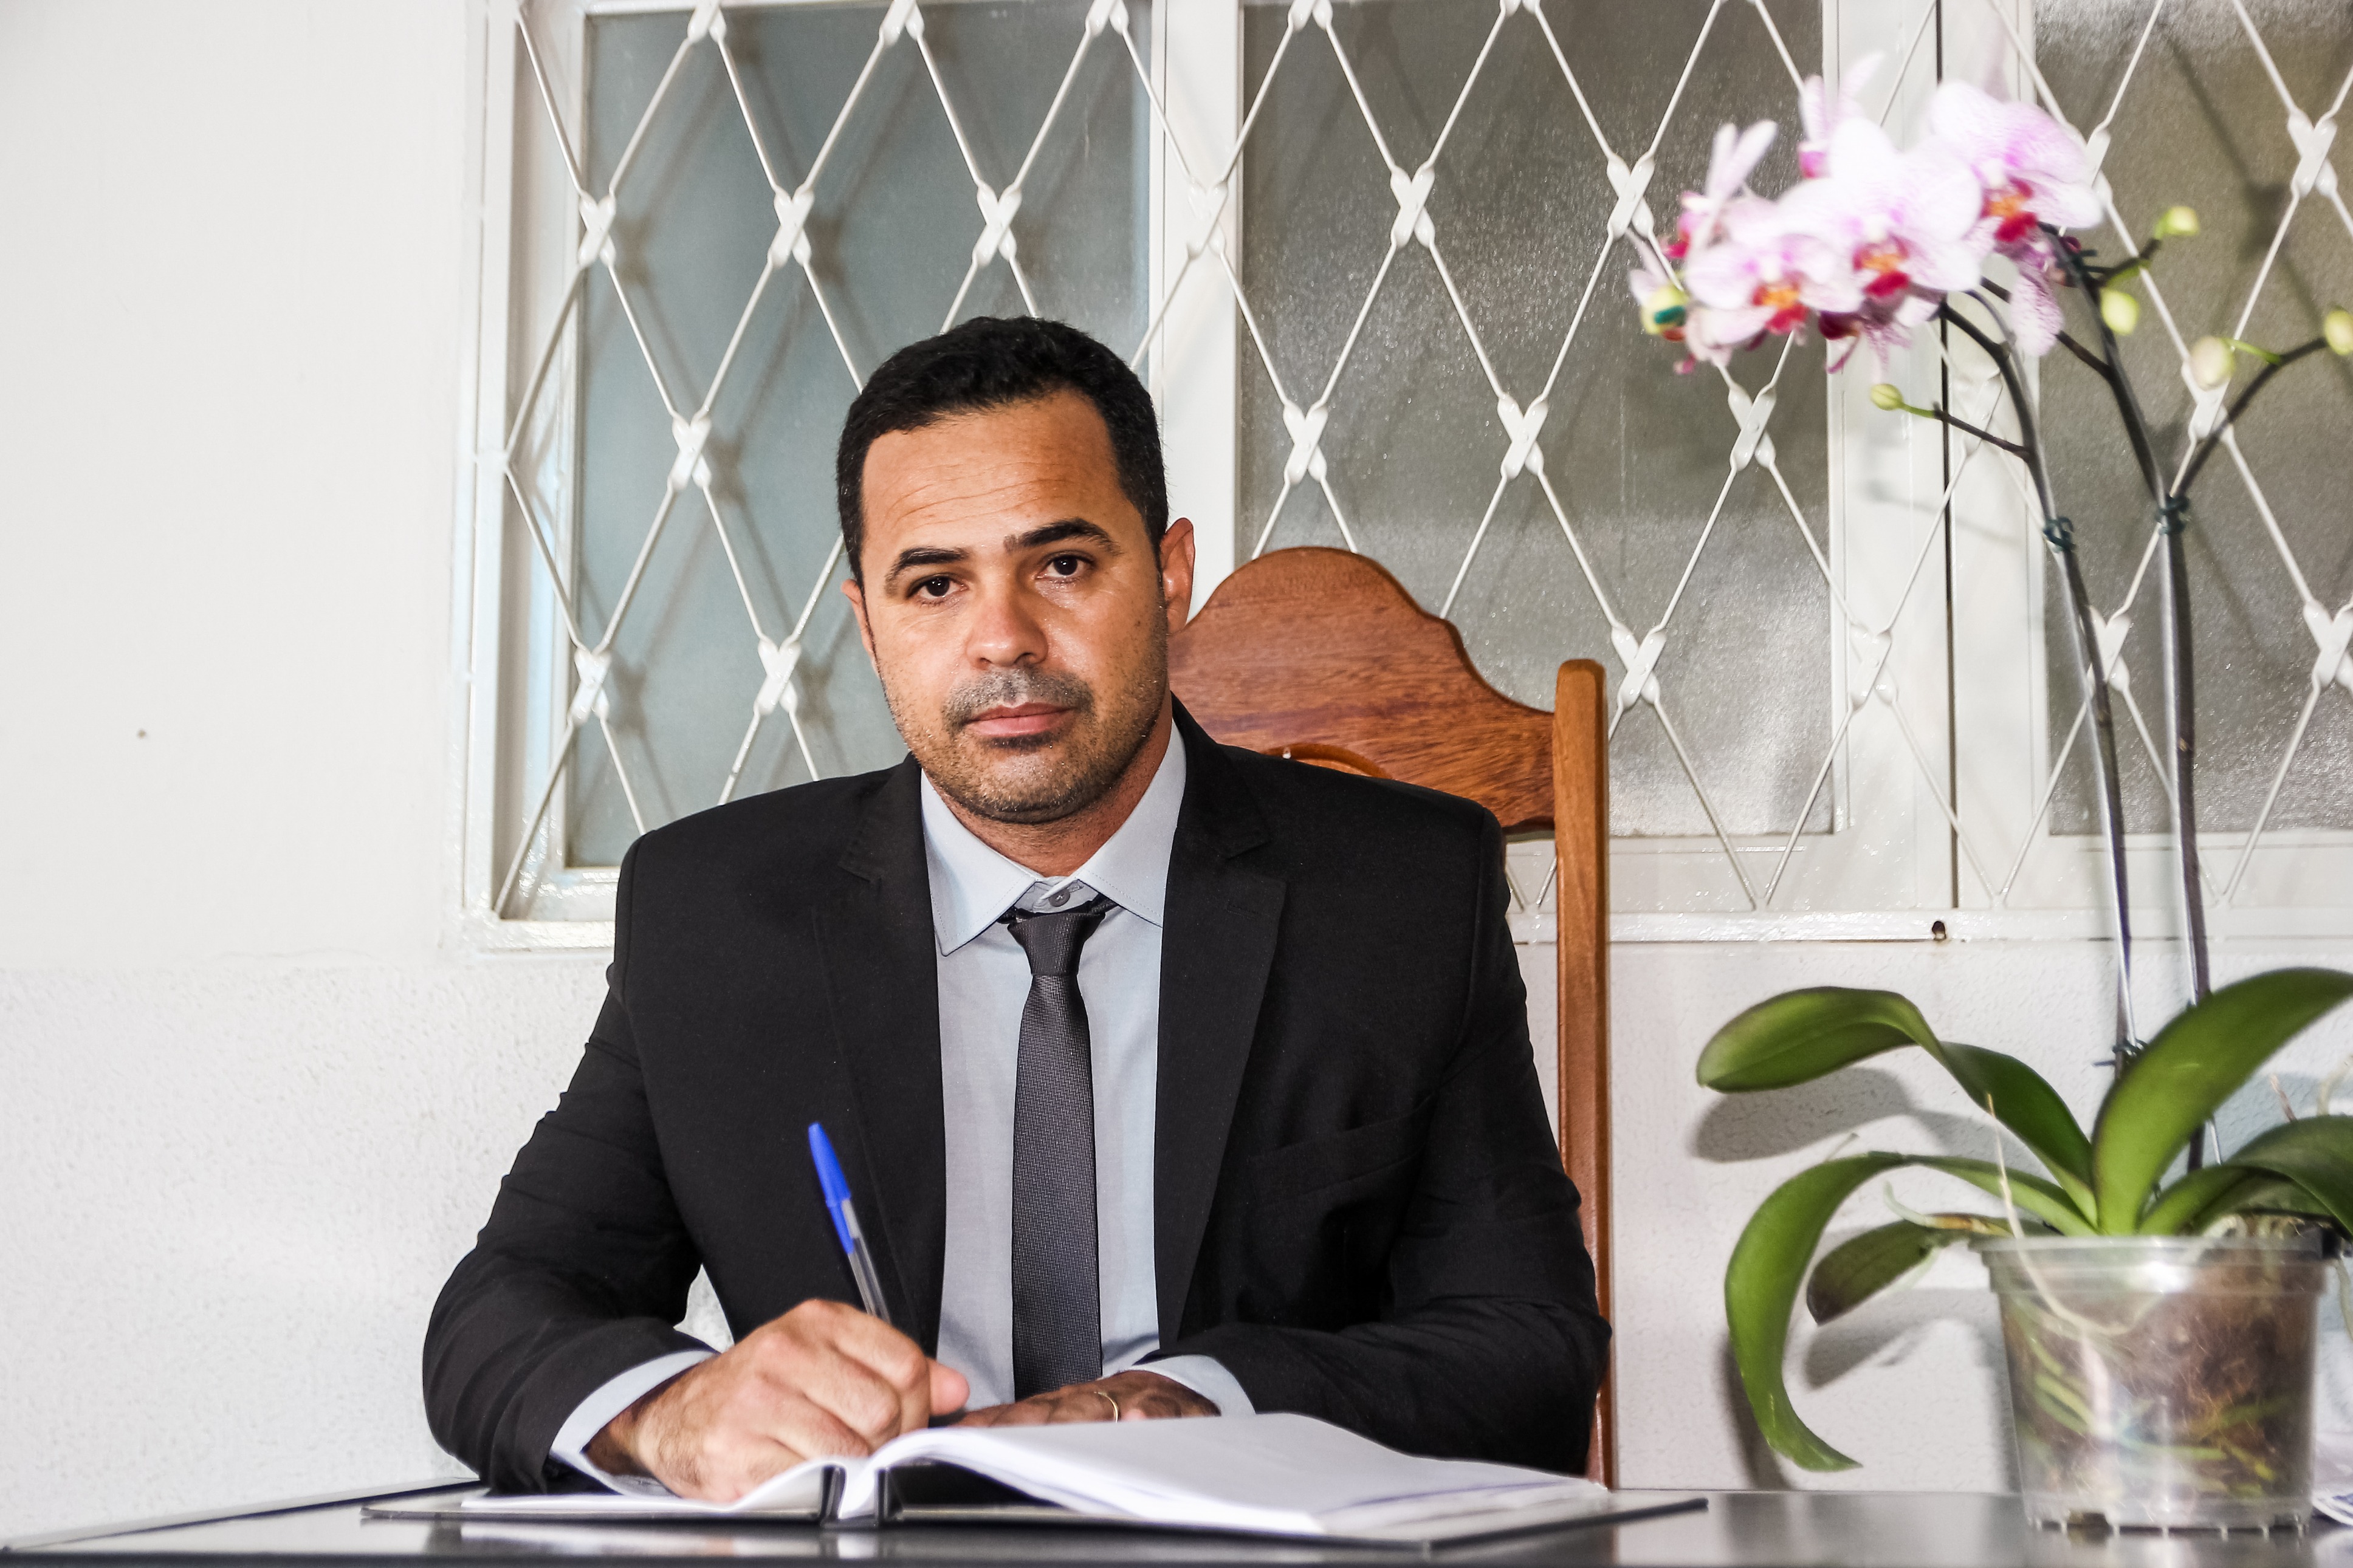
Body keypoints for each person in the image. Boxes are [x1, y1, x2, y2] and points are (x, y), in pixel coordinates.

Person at [424, 317, 1607, 1502]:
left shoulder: (1403, 893)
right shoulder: (714, 915)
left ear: (1171, 573)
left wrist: (1185, 1401)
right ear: (868, 624)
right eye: (935, 584)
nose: (1002, 640)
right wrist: (669, 1414)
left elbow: (1529, 1355)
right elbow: (497, 1316)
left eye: (1063, 565)